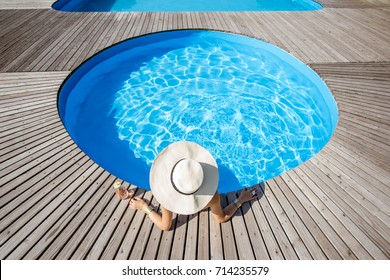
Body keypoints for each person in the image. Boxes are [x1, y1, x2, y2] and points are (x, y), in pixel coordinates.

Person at [127, 141, 259, 231]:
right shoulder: (212, 197)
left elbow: (165, 226)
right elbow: (221, 218)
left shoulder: (167, 198)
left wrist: (145, 207)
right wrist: (240, 200)